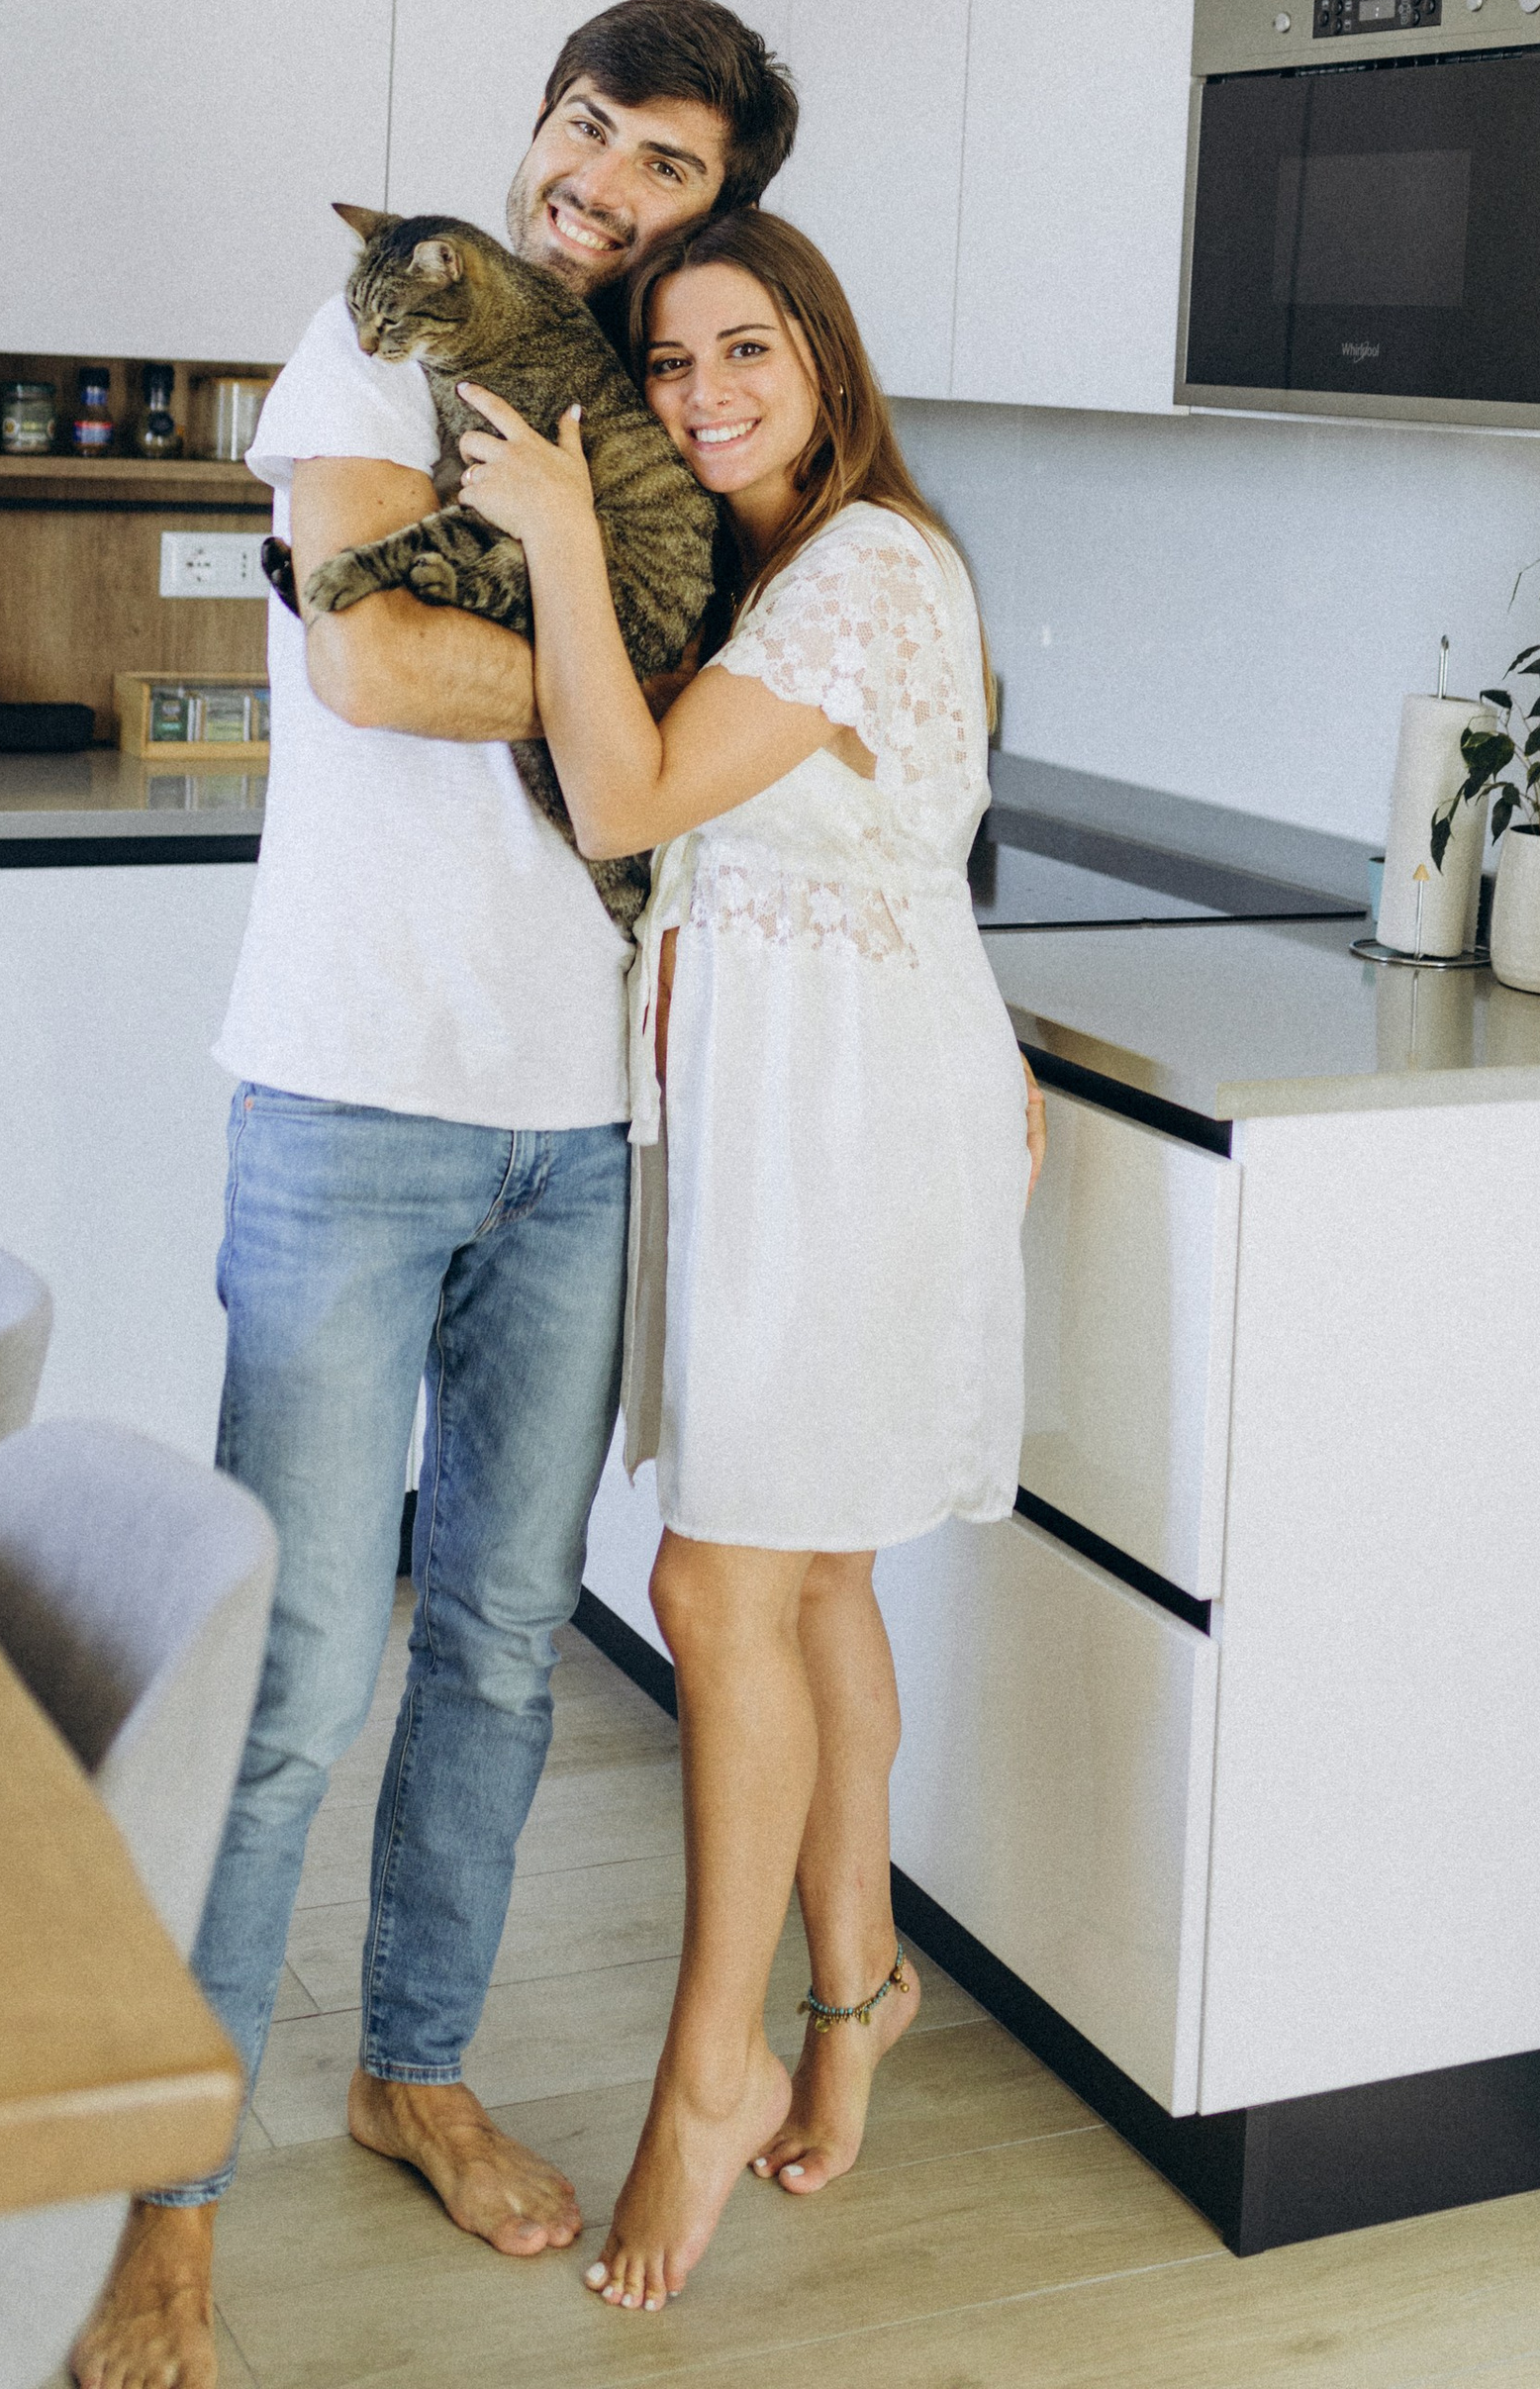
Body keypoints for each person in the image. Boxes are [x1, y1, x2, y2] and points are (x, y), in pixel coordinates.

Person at [72, 0, 798, 2389]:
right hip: (350, 1094)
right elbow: (377, 666)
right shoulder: (378, 339)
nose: (603, 175)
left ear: (717, 206)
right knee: (285, 1681)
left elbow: (662, 678)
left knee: (495, 1644)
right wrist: (619, 692)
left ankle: (411, 2069)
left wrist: (605, 664)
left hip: (576, 1124)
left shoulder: (650, 408)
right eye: (588, 123)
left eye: (664, 160)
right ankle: (164, 2206)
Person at [452, 205, 1044, 2313]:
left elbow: (621, 802)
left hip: (850, 1135)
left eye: (740, 349)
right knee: (812, 1578)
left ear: (821, 349)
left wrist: (541, 520)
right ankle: (854, 1996)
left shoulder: (870, 563)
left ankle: (707, 2068)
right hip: (818, 1115)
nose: (701, 392)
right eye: (667, 361)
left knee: (723, 1583)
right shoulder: (801, 563)